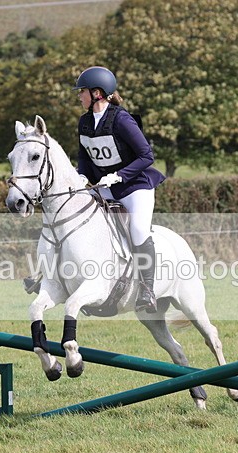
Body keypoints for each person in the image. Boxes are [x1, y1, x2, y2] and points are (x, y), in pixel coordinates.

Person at [74, 66, 165, 314]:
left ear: (98, 93)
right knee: (75, 215)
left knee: (137, 230)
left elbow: (147, 155)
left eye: (82, 92)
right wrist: (82, 174)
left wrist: (119, 175)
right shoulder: (84, 122)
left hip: (135, 187)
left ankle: (147, 290)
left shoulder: (121, 119)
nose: (79, 96)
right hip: (104, 188)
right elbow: (84, 155)